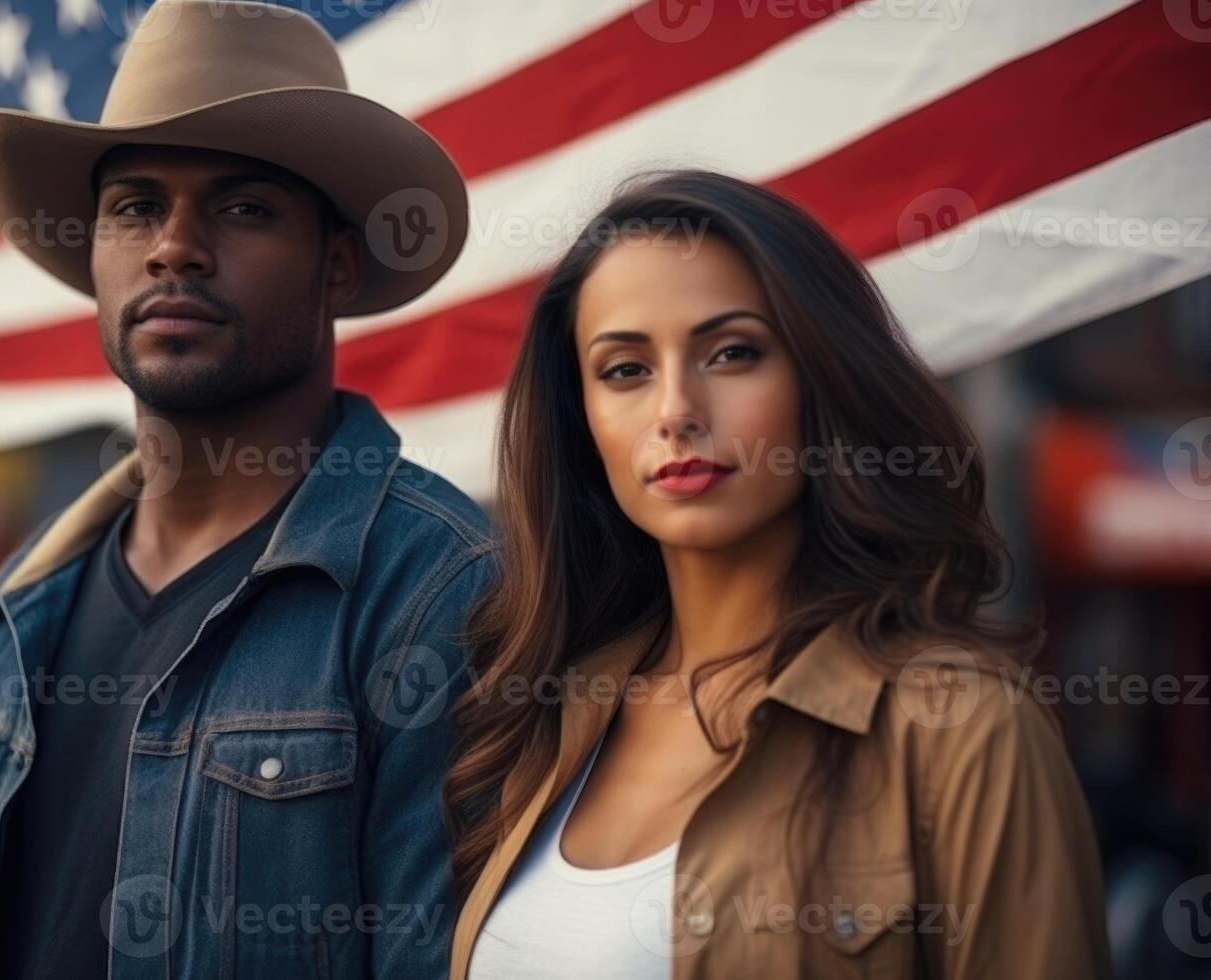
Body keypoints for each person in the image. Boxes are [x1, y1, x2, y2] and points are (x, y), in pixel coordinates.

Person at [0, 4, 491, 979]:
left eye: (243, 207)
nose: (174, 246)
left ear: (337, 264)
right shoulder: (13, 608)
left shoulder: (439, 588)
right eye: (135, 206)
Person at [443, 170, 1113, 979]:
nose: (676, 410)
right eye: (625, 369)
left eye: (732, 353)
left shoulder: (960, 727)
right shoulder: (542, 719)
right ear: (579, 418)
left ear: (820, 379)